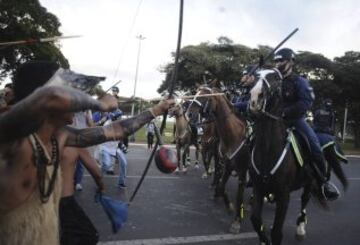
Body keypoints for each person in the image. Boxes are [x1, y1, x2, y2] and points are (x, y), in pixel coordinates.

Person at [0, 60, 174, 245]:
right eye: (72, 92)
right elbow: (50, 97)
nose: (79, 105)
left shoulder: (60, 136)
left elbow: (115, 131)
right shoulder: (14, 143)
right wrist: (99, 105)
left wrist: (156, 110)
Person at [274, 48, 332, 200]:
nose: (278, 63)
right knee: (252, 140)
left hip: (295, 120)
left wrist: (285, 112)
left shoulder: (300, 81)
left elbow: (305, 103)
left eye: (281, 60)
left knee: (315, 148)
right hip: (275, 121)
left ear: (291, 62)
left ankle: (322, 182)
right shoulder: (274, 81)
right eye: (276, 61)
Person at [60, 146, 104, 245]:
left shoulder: (34, 142)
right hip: (64, 201)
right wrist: (102, 187)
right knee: (88, 236)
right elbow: (97, 174)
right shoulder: (74, 143)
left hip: (39, 201)